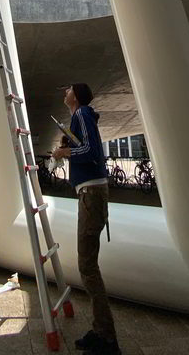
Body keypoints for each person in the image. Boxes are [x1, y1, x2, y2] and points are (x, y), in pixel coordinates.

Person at [52, 83, 120, 355]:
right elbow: (86, 148)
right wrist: (70, 144)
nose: (64, 90)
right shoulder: (80, 118)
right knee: (88, 265)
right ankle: (100, 331)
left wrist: (63, 153)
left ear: (76, 96)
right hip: (91, 192)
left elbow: (92, 153)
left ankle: (106, 338)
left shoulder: (81, 114)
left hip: (91, 193)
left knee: (88, 266)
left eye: (68, 89)